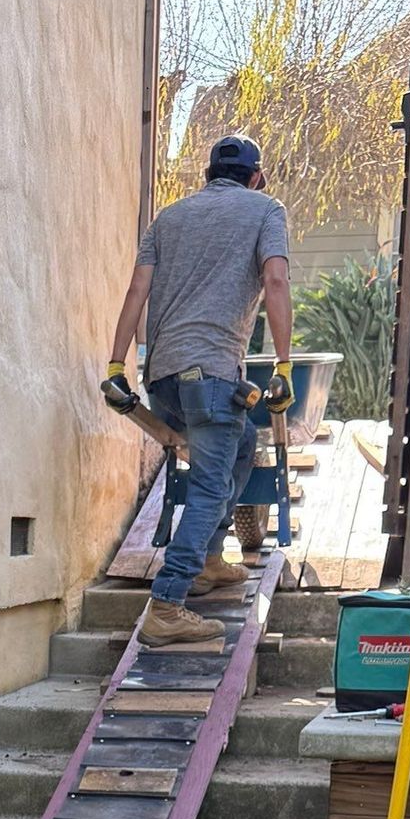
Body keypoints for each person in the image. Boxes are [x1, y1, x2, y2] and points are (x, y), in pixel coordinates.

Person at [103, 133, 293, 648]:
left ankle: (209, 558)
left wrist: (118, 363)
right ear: (256, 176)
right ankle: (167, 603)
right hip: (211, 375)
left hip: (163, 378)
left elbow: (136, 290)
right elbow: (275, 282)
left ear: (207, 175)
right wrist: (282, 363)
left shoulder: (167, 219)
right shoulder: (266, 210)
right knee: (211, 484)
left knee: (243, 448)